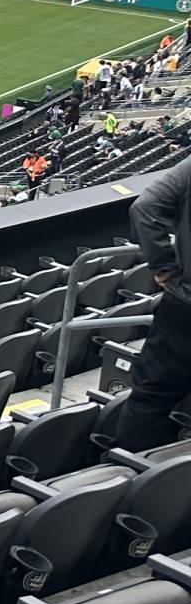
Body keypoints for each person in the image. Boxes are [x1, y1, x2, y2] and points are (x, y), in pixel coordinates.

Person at [122, 149, 191, 450]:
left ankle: (126, 478)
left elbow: (145, 208)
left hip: (185, 304)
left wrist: (164, 267)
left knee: (151, 396)